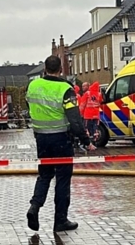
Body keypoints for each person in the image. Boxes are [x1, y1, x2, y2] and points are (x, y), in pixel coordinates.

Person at [26, 55, 92, 233]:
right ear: (61, 69)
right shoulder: (65, 88)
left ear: (44, 69)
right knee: (62, 180)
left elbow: (30, 106)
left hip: (41, 138)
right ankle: (60, 220)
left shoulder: (33, 85)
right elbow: (74, 118)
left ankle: (34, 206)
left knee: (45, 175)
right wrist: (86, 141)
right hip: (61, 139)